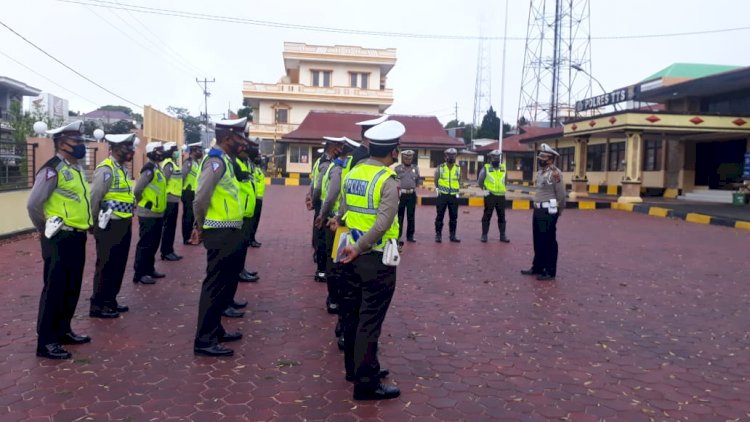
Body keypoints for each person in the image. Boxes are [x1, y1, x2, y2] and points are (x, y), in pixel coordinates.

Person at [334, 120, 405, 401]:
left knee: (352, 316)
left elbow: (345, 207)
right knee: (369, 321)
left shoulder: (354, 172)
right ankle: (366, 383)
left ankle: (355, 368)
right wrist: (361, 246)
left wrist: (351, 244)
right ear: (394, 151)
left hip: (349, 253)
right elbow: (383, 223)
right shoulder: (387, 180)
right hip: (374, 258)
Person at [26, 120, 92, 359]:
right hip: (59, 237)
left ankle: (64, 331)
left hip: (77, 235)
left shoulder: (76, 169)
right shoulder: (52, 169)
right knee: (55, 289)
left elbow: (79, 201)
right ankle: (46, 342)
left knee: (72, 287)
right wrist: (46, 229)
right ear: (62, 144)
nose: (81, 146)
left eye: (82, 141)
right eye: (77, 142)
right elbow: (33, 204)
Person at [191, 117, 248, 357]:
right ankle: (204, 340)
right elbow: (201, 197)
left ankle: (216, 329)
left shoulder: (224, 160)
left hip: (229, 230)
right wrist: (199, 225)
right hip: (219, 231)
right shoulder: (215, 161)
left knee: (223, 285)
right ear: (227, 138)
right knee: (214, 286)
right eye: (239, 137)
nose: (242, 141)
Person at [89, 133, 138, 319]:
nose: (131, 151)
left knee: (118, 264)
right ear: (115, 149)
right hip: (108, 224)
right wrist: (93, 224)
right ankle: (98, 304)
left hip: (123, 222)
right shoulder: (106, 169)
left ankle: (111, 300)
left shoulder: (123, 169)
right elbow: (95, 198)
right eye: (127, 148)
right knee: (106, 265)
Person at [317, 136, 360, 315]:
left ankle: (334, 298)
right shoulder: (341, 169)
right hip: (337, 221)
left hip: (337, 219)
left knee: (335, 260)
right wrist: (324, 215)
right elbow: (333, 194)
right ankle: (334, 299)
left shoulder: (336, 166)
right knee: (337, 261)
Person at [521, 143, 566, 281]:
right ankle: (538, 266)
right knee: (538, 239)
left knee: (549, 241)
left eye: (543, 157)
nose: (540, 159)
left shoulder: (555, 173)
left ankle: (550, 270)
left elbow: (562, 195)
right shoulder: (541, 173)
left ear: (550, 159)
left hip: (549, 211)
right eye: (540, 156)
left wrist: (559, 211)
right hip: (538, 209)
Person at [132, 142, 168, 285]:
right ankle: (140, 273)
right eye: (158, 151)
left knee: (154, 243)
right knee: (145, 244)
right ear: (151, 152)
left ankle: (149, 269)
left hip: (157, 212)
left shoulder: (157, 168)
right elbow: (138, 190)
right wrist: (144, 203)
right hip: (148, 212)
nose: (161, 153)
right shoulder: (148, 169)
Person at [311, 140, 338, 283]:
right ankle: (321, 270)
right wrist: (314, 201)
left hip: (320, 204)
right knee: (322, 239)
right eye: (338, 147)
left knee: (318, 236)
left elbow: (313, 182)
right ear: (333, 148)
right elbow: (319, 186)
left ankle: (320, 267)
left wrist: (311, 198)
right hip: (324, 205)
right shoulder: (326, 164)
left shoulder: (320, 161)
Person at [478, 149, 510, 243]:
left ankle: (502, 236)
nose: (496, 159)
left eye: (498, 157)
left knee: (502, 216)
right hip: (490, 196)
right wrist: (485, 191)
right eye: (494, 157)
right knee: (487, 215)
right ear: (490, 158)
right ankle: (484, 235)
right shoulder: (486, 168)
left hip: (501, 196)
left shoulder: (503, 168)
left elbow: (505, 181)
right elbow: (480, 181)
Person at [159, 141, 183, 261]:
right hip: (169, 199)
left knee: (172, 226)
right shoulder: (168, 164)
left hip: (174, 199)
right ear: (170, 151)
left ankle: (169, 250)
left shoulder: (173, 164)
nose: (177, 152)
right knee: (169, 227)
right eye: (175, 150)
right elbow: (164, 181)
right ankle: (166, 251)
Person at [434, 148, 461, 243]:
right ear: (445, 157)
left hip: (453, 196)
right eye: (449, 155)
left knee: (454, 217)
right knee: (440, 216)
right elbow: (436, 180)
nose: (451, 157)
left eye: (453, 155)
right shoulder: (440, 168)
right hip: (443, 196)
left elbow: (459, 180)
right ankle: (438, 235)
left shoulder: (458, 168)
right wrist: (438, 189)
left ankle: (452, 235)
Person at [394, 150, 421, 243]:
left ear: (412, 158)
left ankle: (410, 236)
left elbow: (417, 181)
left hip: (412, 195)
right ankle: (398, 235)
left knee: (411, 216)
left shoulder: (416, 168)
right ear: (402, 158)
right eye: (406, 158)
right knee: (399, 216)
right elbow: (394, 182)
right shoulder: (397, 169)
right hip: (401, 194)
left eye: (410, 158)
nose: (408, 160)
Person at [181, 142, 203, 245]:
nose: (201, 152)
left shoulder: (196, 163)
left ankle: (193, 236)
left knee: (193, 216)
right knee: (188, 216)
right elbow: (182, 176)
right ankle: (186, 237)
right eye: (199, 150)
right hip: (188, 191)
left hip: (194, 192)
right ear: (193, 151)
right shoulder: (188, 162)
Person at [247, 152, 265, 248]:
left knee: (255, 220)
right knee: (252, 220)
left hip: (258, 197)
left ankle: (252, 238)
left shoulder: (256, 168)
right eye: (257, 156)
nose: (259, 158)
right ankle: (250, 239)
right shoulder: (250, 168)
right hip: (253, 198)